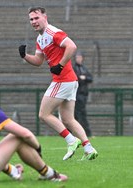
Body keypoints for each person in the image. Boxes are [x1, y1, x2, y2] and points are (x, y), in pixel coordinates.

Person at [18, 7, 98, 161]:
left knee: (43, 114)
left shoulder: (52, 32)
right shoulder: (40, 39)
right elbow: (38, 61)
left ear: (45, 17)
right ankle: (89, 148)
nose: (34, 22)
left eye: (36, 18)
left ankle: (71, 140)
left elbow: (72, 46)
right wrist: (24, 56)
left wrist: (60, 65)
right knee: (68, 120)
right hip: (70, 80)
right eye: (31, 19)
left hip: (63, 80)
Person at [73, 50, 93, 137]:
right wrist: (81, 78)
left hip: (83, 95)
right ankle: (81, 133)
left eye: (80, 57)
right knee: (77, 114)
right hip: (77, 94)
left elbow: (90, 78)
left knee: (80, 113)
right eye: (77, 57)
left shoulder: (84, 68)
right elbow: (75, 78)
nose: (79, 59)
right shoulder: (74, 68)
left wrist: (84, 78)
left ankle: (85, 133)